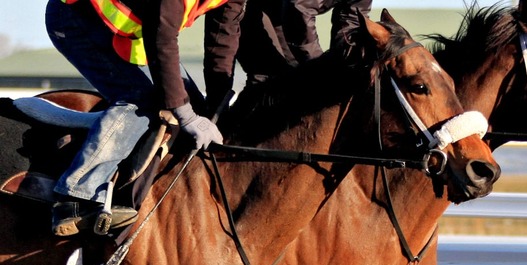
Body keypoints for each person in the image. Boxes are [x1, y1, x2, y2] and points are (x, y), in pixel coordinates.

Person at [45, 0, 245, 236]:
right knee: (141, 99)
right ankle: (76, 196)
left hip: (135, 31)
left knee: (193, 106)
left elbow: (222, 40)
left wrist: (215, 106)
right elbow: (163, 40)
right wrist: (187, 116)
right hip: (75, 18)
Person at [237, 0, 372, 85]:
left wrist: (345, 68)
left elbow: (352, 21)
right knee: (268, 76)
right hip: (245, 5)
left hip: (281, 10)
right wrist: (319, 66)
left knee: (296, 76)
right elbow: (299, 9)